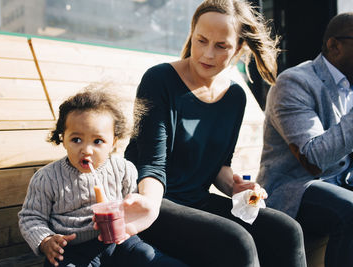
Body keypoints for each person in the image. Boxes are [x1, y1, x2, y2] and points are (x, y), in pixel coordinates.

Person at [123, 0, 307, 266]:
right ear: (192, 34)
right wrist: (148, 209)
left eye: (221, 46)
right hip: (154, 201)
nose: (207, 54)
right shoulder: (159, 79)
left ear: (239, 48)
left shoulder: (235, 97)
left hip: (197, 203)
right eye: (201, 40)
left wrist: (237, 187)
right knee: (238, 242)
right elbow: (152, 165)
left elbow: (220, 166)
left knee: (287, 230)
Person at [18, 88, 186, 267]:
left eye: (98, 141)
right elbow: (31, 217)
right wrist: (46, 240)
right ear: (63, 138)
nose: (87, 150)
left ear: (113, 142)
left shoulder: (123, 169)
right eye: (76, 139)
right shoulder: (47, 178)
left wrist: (132, 213)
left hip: (121, 242)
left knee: (149, 257)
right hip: (72, 249)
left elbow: (131, 210)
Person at [256, 12, 353, 267]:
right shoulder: (295, 82)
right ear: (335, 45)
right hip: (295, 187)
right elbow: (313, 159)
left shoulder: (349, 86)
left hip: (340, 180)